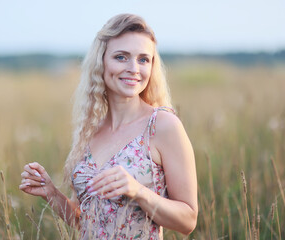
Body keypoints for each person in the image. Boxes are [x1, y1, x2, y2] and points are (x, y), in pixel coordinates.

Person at [19, 13, 198, 239]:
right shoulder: (90, 130)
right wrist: (52, 194)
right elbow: (86, 220)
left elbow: (188, 220)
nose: (134, 68)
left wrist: (138, 192)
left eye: (143, 59)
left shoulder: (162, 125)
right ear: (101, 61)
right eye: (121, 57)